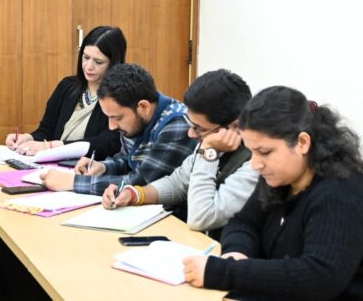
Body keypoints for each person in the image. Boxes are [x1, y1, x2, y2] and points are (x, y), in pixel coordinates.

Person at [183, 86, 363, 300]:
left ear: (303, 143)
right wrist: (236, 253)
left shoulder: (340, 192)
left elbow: (319, 278)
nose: (255, 164)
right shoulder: (280, 177)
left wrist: (225, 272)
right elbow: (244, 222)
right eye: (251, 151)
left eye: (265, 152)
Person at [101, 69, 258, 238]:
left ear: (235, 127)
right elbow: (177, 183)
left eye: (199, 128)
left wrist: (207, 152)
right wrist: (134, 195)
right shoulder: (213, 144)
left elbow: (201, 218)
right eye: (190, 124)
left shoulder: (254, 164)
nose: (191, 134)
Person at [41, 64, 196, 195]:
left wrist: (73, 182)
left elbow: (141, 182)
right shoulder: (136, 119)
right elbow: (127, 160)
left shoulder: (176, 125)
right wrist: (103, 167)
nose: (112, 126)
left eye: (117, 117)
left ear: (143, 107)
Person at [4, 26, 125, 161]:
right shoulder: (67, 86)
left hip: (88, 168)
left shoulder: (120, 96)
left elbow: (106, 144)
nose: (89, 66)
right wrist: (28, 138)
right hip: (53, 164)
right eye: (86, 57)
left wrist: (50, 146)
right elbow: (46, 130)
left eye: (98, 62)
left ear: (113, 63)